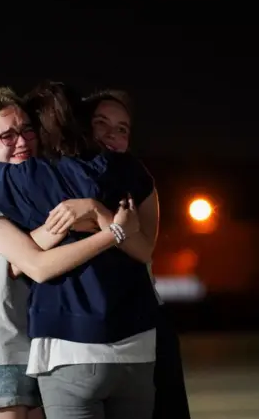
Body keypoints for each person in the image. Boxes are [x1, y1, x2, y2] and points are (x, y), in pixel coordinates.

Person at [0, 81, 160, 419]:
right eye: (7, 135)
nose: (21, 141)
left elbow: (37, 245)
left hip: (40, 346)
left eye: (27, 130)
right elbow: (32, 262)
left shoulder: (29, 189)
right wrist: (111, 227)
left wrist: (93, 214)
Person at [84, 89, 191, 419]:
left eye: (122, 129)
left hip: (142, 321)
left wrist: (98, 215)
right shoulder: (59, 175)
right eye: (101, 123)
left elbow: (144, 249)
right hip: (81, 331)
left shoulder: (139, 181)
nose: (111, 135)